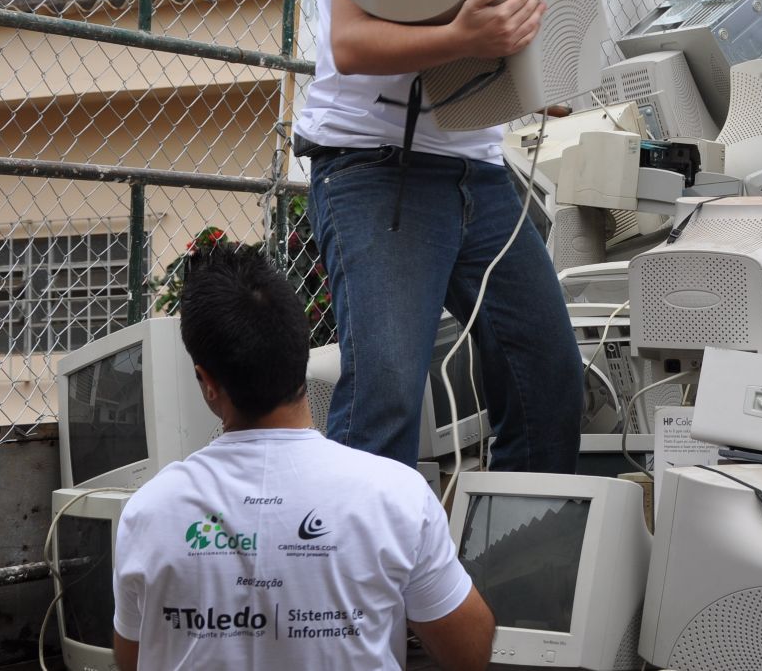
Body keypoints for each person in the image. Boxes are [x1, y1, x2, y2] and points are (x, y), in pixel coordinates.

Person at [293, 0, 583, 472]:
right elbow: (350, 44)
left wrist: (537, 73)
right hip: (375, 171)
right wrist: (462, 37)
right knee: (386, 397)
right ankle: (351, 550)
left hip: (474, 171)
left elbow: (485, 44)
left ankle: (513, 541)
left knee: (548, 375)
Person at [111, 243, 496, 671]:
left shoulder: (148, 512)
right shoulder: (396, 496)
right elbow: (471, 651)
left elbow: (132, 659)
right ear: (300, 352)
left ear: (208, 382)